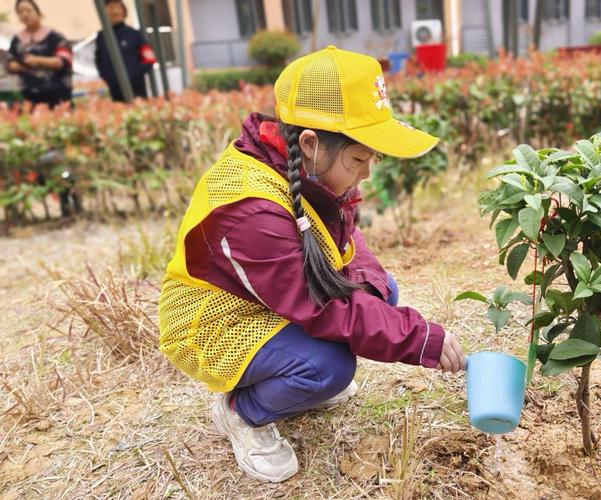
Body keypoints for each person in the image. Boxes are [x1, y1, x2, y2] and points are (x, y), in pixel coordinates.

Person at [158, 46, 466, 483]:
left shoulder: (308, 171)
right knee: (328, 368)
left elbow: (346, 244)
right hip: (215, 319)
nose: (367, 173)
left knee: (383, 291)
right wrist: (420, 339)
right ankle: (242, 413)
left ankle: (293, 381)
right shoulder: (251, 209)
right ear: (310, 143)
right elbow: (319, 304)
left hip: (269, 293)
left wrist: (374, 291)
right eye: (360, 158)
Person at [5, 0, 73, 108]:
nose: (24, 14)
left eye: (28, 10)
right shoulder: (16, 40)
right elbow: (10, 63)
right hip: (29, 97)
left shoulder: (55, 37)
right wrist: (22, 65)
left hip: (57, 95)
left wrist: (38, 61)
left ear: (38, 12)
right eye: (20, 12)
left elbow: (64, 60)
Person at [94, 0, 157, 101]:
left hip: (137, 90)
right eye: (110, 7)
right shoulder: (101, 37)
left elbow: (149, 59)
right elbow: (99, 61)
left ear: (123, 11)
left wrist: (132, 75)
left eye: (117, 7)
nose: (114, 11)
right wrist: (109, 78)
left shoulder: (135, 35)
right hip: (115, 91)